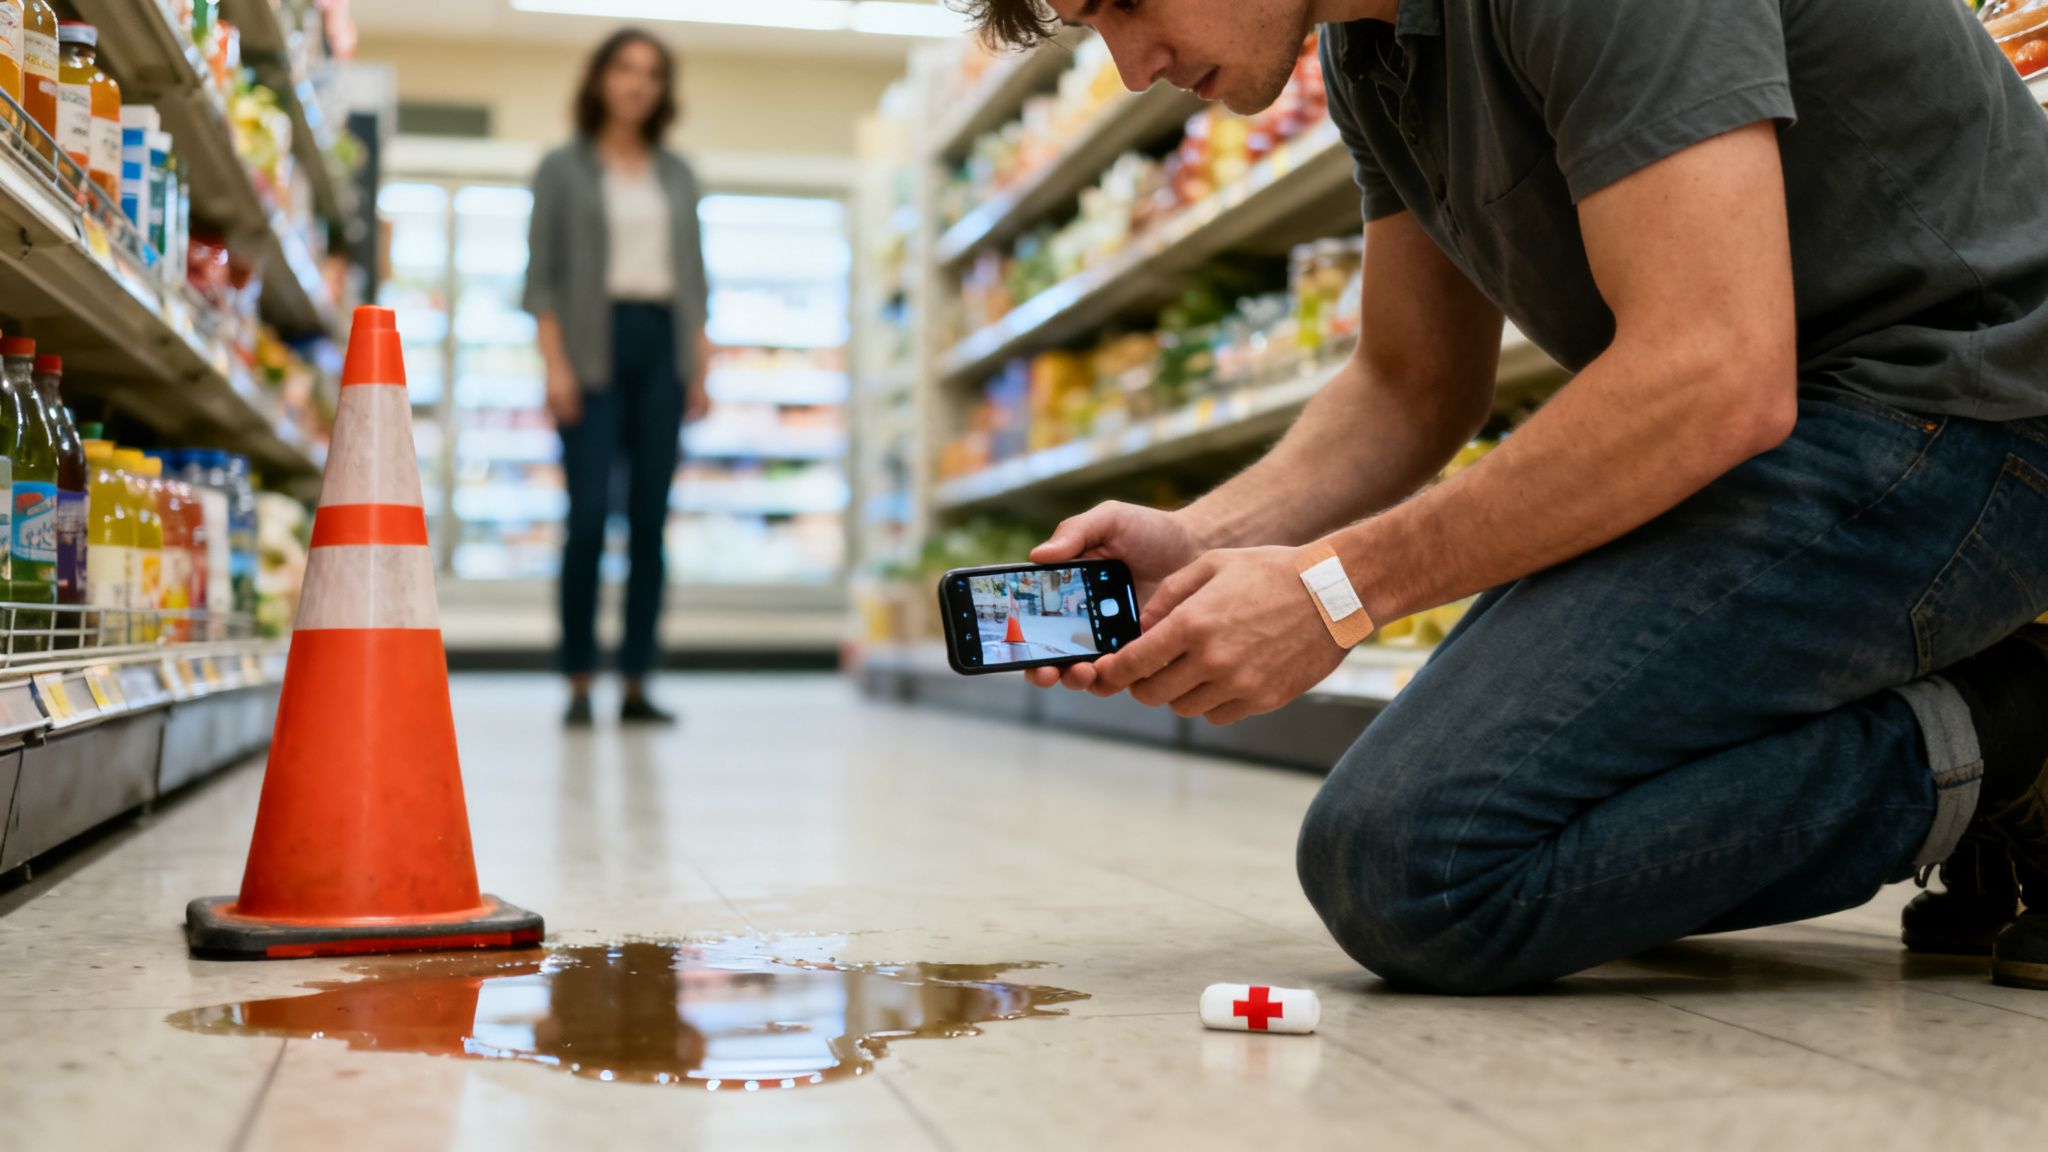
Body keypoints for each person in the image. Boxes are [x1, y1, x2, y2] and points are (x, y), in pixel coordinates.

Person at [962, 0, 2048, 992]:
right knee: (1558, 830)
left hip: (1965, 409)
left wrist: (1331, 593)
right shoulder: (1369, 46)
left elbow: (1712, 369)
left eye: (1121, 4)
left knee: (1422, 875)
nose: (1129, 65)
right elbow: (1408, 383)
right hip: (1789, 438)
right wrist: (1198, 540)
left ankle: (2015, 736)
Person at [524, 28, 712, 727]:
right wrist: (555, 365)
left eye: (653, 74)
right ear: (600, 78)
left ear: (663, 90)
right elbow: (540, 281)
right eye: (626, 69)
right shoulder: (562, 168)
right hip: (590, 348)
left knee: (650, 524)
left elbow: (693, 275)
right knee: (585, 520)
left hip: (661, 346)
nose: (638, 83)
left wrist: (698, 358)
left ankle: (635, 680)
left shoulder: (677, 173)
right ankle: (578, 678)